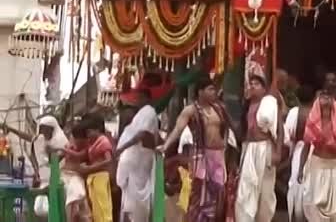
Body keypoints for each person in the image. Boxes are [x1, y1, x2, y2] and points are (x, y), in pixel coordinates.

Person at [162, 74, 234, 222]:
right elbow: (178, 129)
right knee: (198, 196)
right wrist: (165, 145)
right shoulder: (191, 110)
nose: (214, 92)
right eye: (210, 89)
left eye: (214, 89)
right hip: (201, 156)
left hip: (219, 157)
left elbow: (230, 130)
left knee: (218, 195)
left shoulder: (220, 108)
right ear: (200, 92)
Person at [298, 89, 336, 222]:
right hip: (318, 166)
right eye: (322, 95)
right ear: (317, 100)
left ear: (333, 100)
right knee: (315, 203)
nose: (325, 98)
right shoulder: (312, 121)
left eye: (328, 95)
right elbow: (306, 146)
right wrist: (300, 169)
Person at [236, 74, 283, 222]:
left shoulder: (269, 106)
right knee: (246, 190)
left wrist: (278, 152)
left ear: (264, 89)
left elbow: (280, 130)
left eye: (256, 84)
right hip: (250, 150)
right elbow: (242, 132)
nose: (252, 87)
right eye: (250, 84)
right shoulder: (247, 106)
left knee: (265, 191)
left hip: (265, 149)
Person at [115, 88, 159, 222]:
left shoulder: (148, 112)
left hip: (139, 159)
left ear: (147, 98)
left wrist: (121, 148)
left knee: (138, 198)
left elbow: (142, 134)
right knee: (129, 197)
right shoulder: (141, 113)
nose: (137, 100)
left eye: (140, 97)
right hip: (133, 161)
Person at [67, 115, 113, 222]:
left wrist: (89, 168)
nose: (88, 135)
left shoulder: (103, 141)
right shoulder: (92, 144)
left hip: (101, 177)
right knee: (96, 206)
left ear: (97, 130)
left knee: (102, 205)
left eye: (89, 132)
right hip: (93, 178)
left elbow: (108, 161)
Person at [285, 83, 316, 222]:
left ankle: (297, 216)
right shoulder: (317, 114)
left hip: (299, 151)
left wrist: (291, 153)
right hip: (316, 153)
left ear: (297, 97)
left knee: (297, 185)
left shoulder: (294, 113)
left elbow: (289, 137)